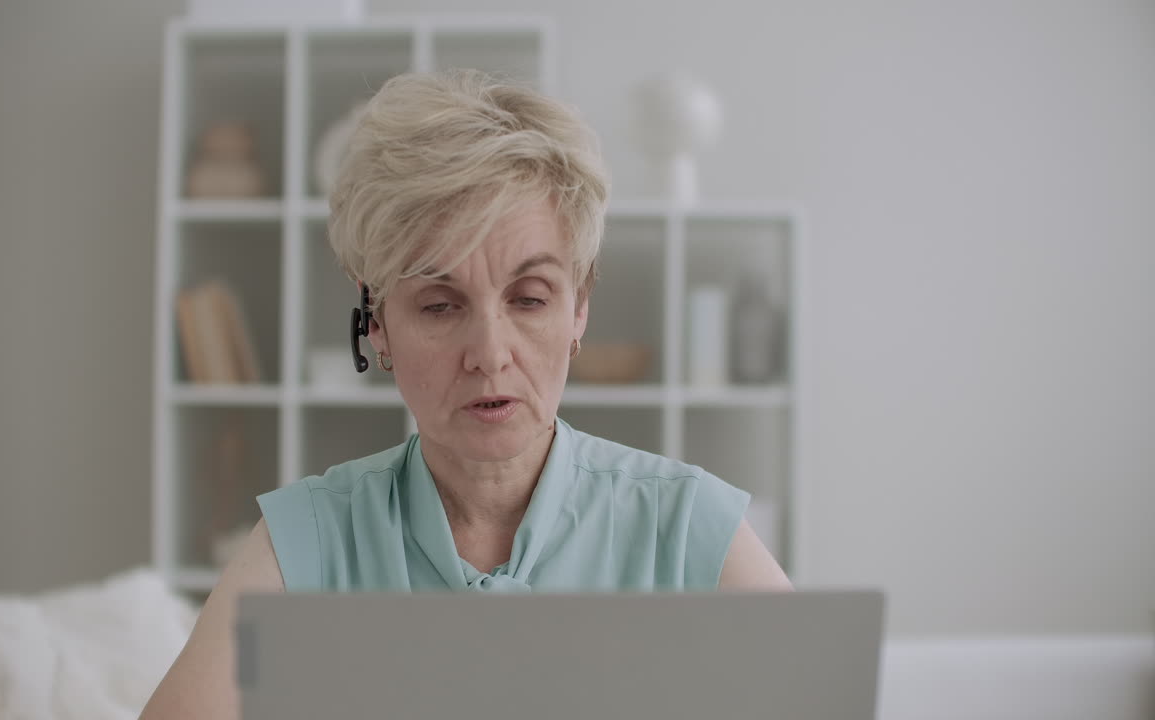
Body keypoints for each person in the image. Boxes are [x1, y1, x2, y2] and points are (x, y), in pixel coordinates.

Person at [140, 69, 792, 720]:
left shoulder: (684, 525)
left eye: (529, 299)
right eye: (440, 304)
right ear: (378, 326)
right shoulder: (304, 541)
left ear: (578, 311)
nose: (489, 353)